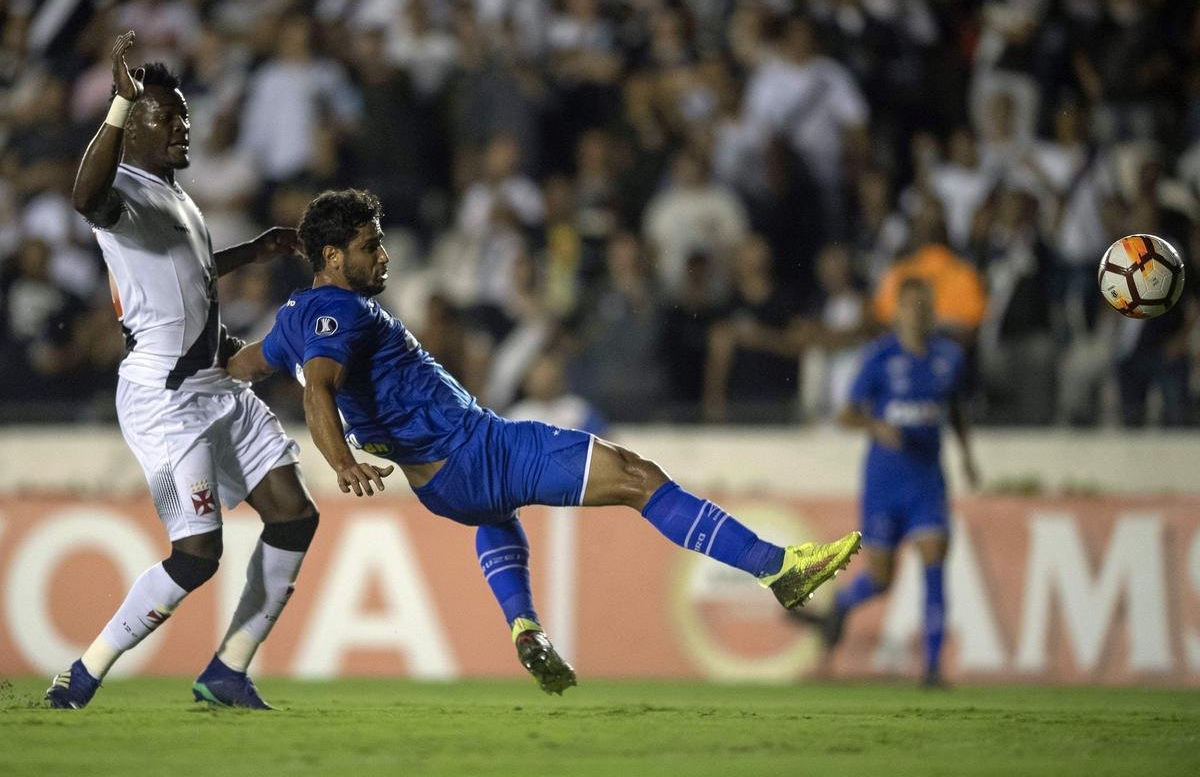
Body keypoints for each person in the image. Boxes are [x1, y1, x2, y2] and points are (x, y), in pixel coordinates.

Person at [226, 188, 863, 694]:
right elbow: (318, 389)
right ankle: (778, 569)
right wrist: (340, 462)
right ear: (333, 257)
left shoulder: (293, 320)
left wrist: (182, 348)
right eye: (371, 246)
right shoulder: (343, 313)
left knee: (499, 519)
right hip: (479, 451)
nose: (384, 256)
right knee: (639, 478)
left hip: (444, 488)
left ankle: (525, 626)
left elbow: (243, 367)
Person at [46, 31, 319, 711]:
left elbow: (184, 278)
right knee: (198, 555)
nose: (181, 126)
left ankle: (228, 669)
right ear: (132, 129)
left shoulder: (176, 196)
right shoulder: (124, 193)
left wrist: (250, 253)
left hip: (216, 381)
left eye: (184, 116)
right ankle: (82, 674)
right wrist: (116, 105)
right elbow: (84, 198)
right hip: (165, 396)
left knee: (293, 516)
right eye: (165, 117)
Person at [803, 277, 979, 687]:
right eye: (910, 305)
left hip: (927, 481)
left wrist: (968, 458)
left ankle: (933, 668)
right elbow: (846, 414)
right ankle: (841, 606)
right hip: (884, 481)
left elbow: (955, 409)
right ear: (896, 311)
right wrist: (875, 425)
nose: (918, 312)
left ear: (932, 310)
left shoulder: (949, 358)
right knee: (881, 578)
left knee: (935, 561)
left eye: (924, 304)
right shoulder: (879, 357)